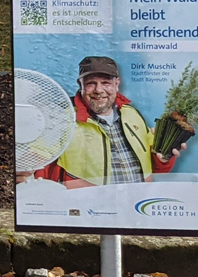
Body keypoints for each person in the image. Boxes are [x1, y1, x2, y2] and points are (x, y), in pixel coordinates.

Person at [27, 55, 187, 187]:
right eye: (91, 83)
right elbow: (37, 168)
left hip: (136, 207)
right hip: (87, 211)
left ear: (117, 84)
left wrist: (164, 158)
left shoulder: (132, 114)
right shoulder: (61, 118)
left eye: (106, 83)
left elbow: (155, 166)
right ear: (80, 84)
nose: (98, 90)